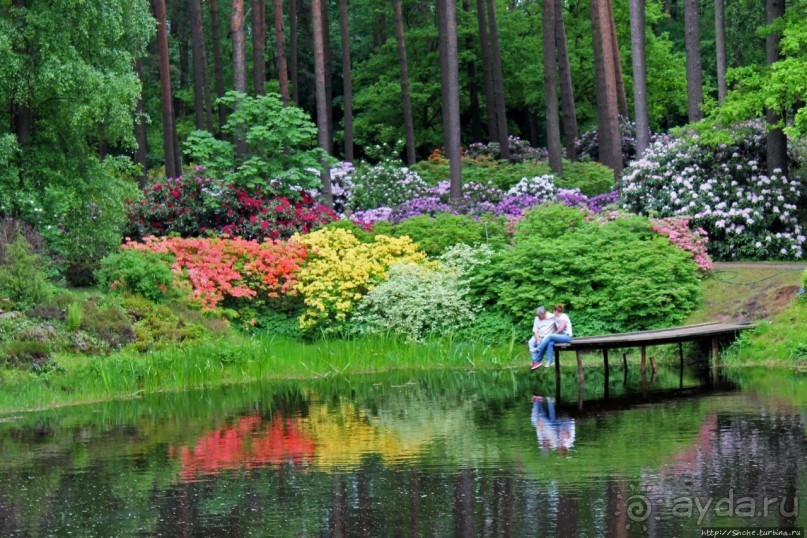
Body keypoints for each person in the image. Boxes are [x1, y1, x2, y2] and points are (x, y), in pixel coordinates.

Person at [532, 304, 573, 369]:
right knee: (550, 343)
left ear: (556, 311)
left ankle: (538, 349)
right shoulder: (556, 318)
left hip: (566, 336)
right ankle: (550, 361)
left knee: (550, 336)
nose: (552, 313)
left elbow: (561, 328)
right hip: (560, 337)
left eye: (553, 311)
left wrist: (553, 335)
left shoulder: (564, 316)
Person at [528, 306, 556, 371]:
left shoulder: (553, 317)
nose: (538, 317)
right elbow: (535, 330)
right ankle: (536, 360)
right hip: (538, 335)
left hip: (547, 337)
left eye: (539, 315)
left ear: (544, 313)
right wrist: (537, 339)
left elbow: (559, 324)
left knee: (542, 342)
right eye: (537, 315)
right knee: (531, 342)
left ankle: (536, 361)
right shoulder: (537, 318)